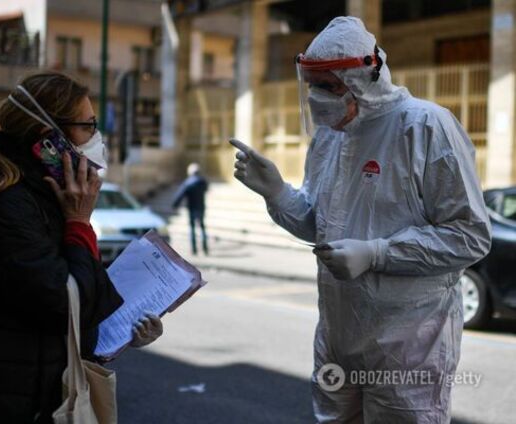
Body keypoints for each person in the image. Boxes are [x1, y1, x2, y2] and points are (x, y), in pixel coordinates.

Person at [231, 17, 491, 423]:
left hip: (408, 342)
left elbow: (469, 236)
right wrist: (277, 193)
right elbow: (319, 225)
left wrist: (377, 253)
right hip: (338, 332)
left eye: (329, 87)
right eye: (312, 87)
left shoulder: (424, 127)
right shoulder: (330, 137)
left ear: (365, 78)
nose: (318, 98)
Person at [0, 72, 163, 424]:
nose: (96, 137)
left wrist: (121, 330)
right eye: (88, 126)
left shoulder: (43, 197)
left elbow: (61, 308)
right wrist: (80, 224)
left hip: (28, 392)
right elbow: (62, 303)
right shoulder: (4, 204)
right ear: (49, 138)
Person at [172, 163, 209, 255]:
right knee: (202, 227)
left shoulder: (188, 183)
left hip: (192, 208)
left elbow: (180, 195)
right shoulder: (202, 181)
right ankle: (205, 249)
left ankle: (194, 250)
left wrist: (175, 205)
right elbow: (206, 189)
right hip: (201, 207)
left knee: (192, 228)